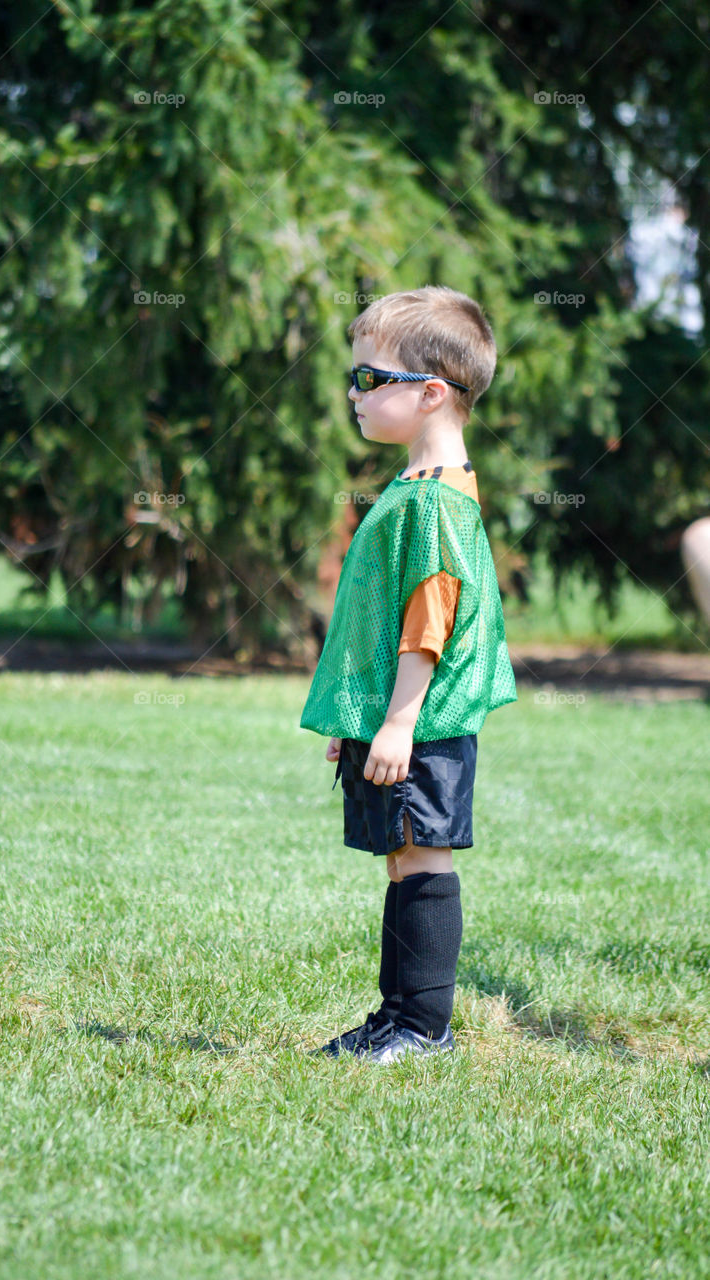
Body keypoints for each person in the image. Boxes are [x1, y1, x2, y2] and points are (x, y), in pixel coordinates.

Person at [299, 285, 517, 1063]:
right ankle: (397, 1019)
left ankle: (425, 1028)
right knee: (401, 859)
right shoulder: (419, 488)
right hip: (395, 719)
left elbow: (430, 623)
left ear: (430, 393)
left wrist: (397, 721)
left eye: (368, 378)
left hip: (421, 722)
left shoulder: (435, 504)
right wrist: (361, 721)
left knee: (422, 857)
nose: (353, 394)